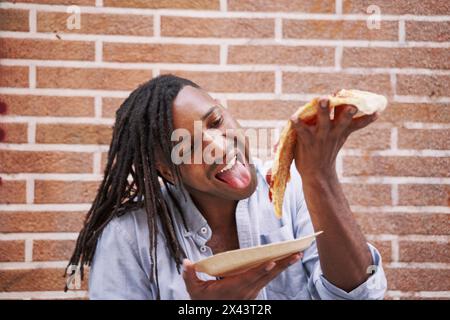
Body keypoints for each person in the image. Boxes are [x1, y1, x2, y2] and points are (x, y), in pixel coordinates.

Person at [65, 74, 387, 300]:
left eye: (216, 122)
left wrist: (321, 176)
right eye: (190, 146)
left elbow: (358, 295)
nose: (219, 148)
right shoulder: (129, 235)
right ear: (167, 170)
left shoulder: (292, 190)